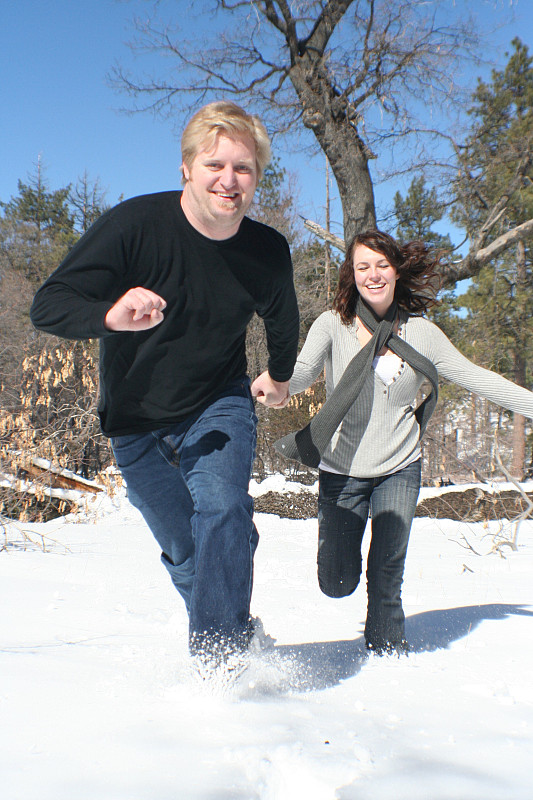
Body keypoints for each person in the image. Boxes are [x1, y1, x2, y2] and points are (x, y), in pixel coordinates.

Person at [30, 101, 299, 665]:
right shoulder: (135, 226)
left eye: (244, 168)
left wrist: (278, 373)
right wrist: (109, 313)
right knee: (188, 549)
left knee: (223, 510)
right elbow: (48, 306)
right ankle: (235, 622)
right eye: (215, 165)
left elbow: (282, 317)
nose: (229, 180)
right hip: (134, 419)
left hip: (217, 401)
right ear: (186, 169)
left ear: (257, 178)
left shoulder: (265, 251)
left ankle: (218, 667)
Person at [267, 229, 533, 655]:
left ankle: (388, 653)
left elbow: (477, 377)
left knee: (387, 567)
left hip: (399, 465)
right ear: (351, 275)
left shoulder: (423, 334)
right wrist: (277, 387)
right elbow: (300, 374)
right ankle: (343, 579)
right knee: (337, 582)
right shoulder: (332, 325)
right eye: (363, 266)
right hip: (342, 468)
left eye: (382, 265)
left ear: (396, 270)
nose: (373, 275)